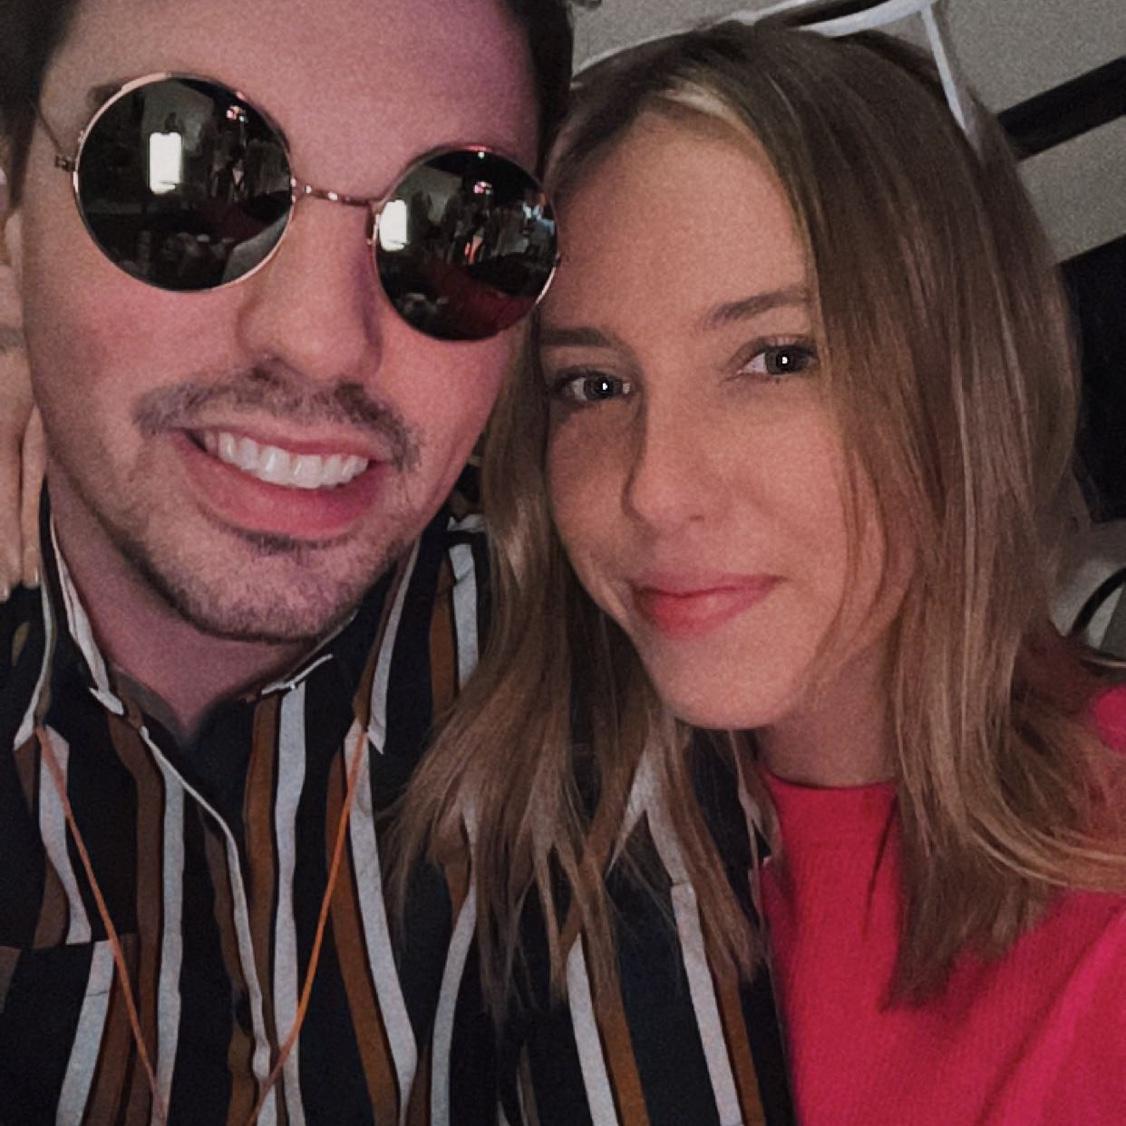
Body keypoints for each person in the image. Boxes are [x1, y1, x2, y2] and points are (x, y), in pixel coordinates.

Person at [397, 21, 1126, 1125]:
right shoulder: (517, 844)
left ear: (965, 376)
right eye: (593, 384)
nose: (656, 487)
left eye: (776, 359)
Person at [0, 0, 605, 1120]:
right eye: (184, 185)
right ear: (11, 212)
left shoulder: (594, 685)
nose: (322, 341)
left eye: (457, 225)